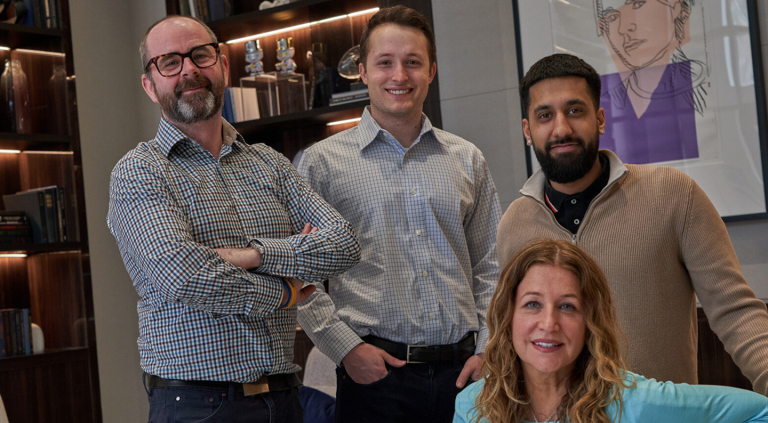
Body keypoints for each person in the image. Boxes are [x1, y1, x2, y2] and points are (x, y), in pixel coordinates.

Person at [107, 15, 360, 423]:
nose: (188, 69)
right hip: (197, 406)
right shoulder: (140, 171)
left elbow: (344, 244)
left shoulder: (269, 163)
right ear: (150, 86)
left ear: (223, 65)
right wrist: (286, 293)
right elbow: (182, 275)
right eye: (169, 62)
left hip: (285, 398)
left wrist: (253, 255)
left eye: (200, 55)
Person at [497, 53, 768, 393]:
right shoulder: (514, 223)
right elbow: (509, 337)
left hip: (662, 414)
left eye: (575, 111)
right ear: (528, 130)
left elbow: (735, 311)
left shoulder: (673, 194)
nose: (561, 128)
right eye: (545, 115)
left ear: (600, 119)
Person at [296, 6, 501, 423]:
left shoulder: (467, 159)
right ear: (363, 71)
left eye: (413, 62)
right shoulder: (321, 165)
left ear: (432, 71)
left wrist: (487, 349)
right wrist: (346, 349)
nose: (400, 76)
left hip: (465, 377)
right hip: (374, 380)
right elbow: (299, 274)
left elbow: (492, 266)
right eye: (385, 62)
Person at [454, 239, 768, 423]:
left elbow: (759, 412)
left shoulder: (632, 401)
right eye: (532, 304)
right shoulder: (473, 406)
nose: (549, 323)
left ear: (590, 323)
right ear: (507, 316)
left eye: (567, 306)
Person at [596, 0, 706, 163]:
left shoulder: (702, 88)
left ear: (676, 9)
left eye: (638, 4)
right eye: (611, 17)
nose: (623, 28)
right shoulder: (607, 101)